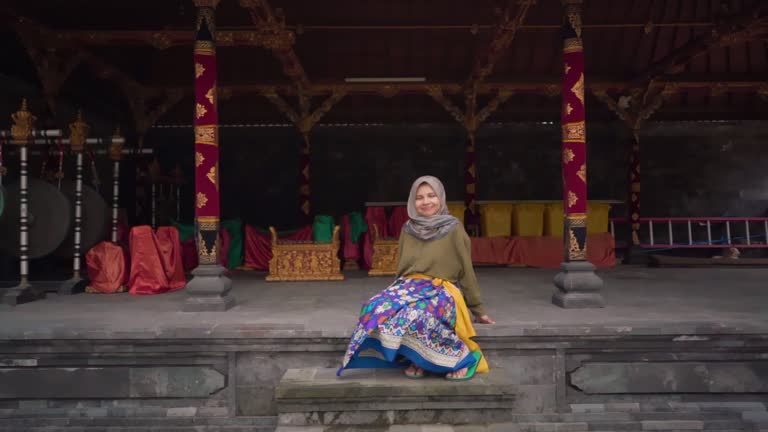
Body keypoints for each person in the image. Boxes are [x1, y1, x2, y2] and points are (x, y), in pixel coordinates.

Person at [338, 175, 494, 380]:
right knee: (376, 306)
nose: (426, 202)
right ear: (413, 201)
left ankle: (459, 358)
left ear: (441, 198)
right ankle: (416, 357)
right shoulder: (408, 229)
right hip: (410, 285)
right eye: (419, 197)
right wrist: (394, 296)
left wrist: (478, 309)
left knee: (416, 314)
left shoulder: (453, 228)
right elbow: (403, 268)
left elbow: (466, 270)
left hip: (442, 288)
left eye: (431, 195)